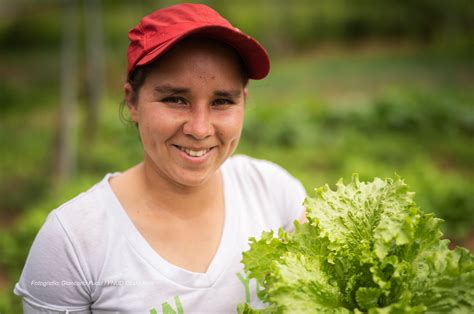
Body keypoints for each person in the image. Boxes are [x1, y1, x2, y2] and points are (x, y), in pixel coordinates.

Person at [14, 3, 306, 313]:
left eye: (222, 101)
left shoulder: (272, 192)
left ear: (243, 103)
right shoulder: (73, 240)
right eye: (175, 99)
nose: (199, 128)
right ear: (133, 102)